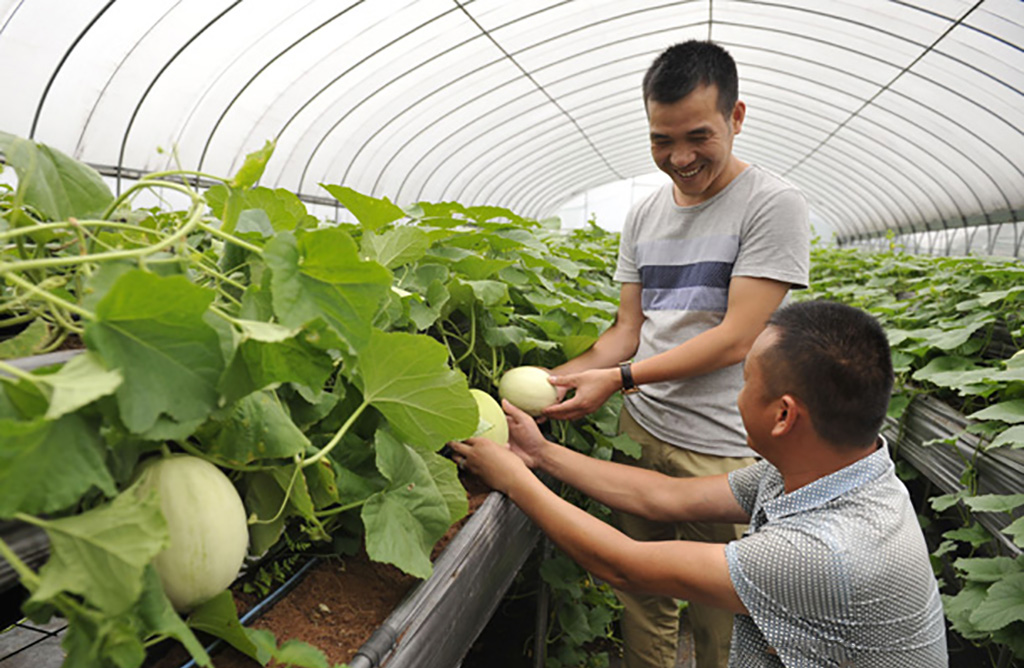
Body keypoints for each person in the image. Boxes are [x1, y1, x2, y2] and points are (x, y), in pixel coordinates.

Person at [450, 300, 948, 668]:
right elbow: (663, 497)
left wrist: (515, 479)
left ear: (783, 415)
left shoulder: (825, 551)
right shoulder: (829, 470)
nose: (736, 395)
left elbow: (623, 565)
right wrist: (541, 454)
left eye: (745, 381)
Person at [539, 40, 811, 668]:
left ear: (736, 118)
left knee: (727, 615)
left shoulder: (773, 205)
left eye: (698, 136)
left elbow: (735, 338)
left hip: (724, 446)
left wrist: (620, 378)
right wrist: (557, 379)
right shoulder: (643, 215)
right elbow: (626, 330)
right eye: (662, 140)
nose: (679, 157)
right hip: (644, 429)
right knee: (641, 591)